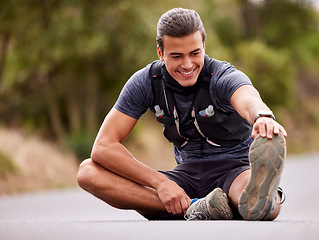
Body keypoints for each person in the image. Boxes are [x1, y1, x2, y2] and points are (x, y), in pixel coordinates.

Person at [77, 8, 287, 221]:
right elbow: (103, 146)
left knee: (252, 197)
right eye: (176, 56)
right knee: (87, 172)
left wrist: (262, 116)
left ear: (204, 46)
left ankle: (258, 199)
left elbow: (247, 97)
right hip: (186, 175)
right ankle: (198, 207)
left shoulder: (222, 75)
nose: (187, 65)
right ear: (160, 53)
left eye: (195, 53)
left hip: (235, 170)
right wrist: (160, 184)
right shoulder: (146, 82)